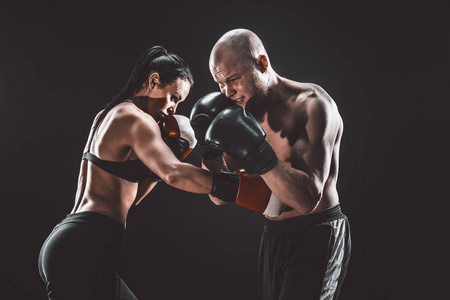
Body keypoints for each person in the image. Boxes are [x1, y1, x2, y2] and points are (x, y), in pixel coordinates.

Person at [37, 46, 245, 300]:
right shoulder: (136, 119)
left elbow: (132, 197)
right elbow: (174, 174)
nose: (173, 109)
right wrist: (242, 187)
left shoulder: (108, 114)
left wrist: (168, 158)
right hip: (84, 248)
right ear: (154, 80)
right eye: (174, 97)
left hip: (78, 244)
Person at [192, 29, 351, 300]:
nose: (227, 92)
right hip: (274, 235)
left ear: (262, 63)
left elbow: (306, 199)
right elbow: (218, 196)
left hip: (317, 233)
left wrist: (259, 154)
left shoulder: (312, 106)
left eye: (233, 80)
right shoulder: (239, 112)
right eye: (220, 83)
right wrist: (209, 152)